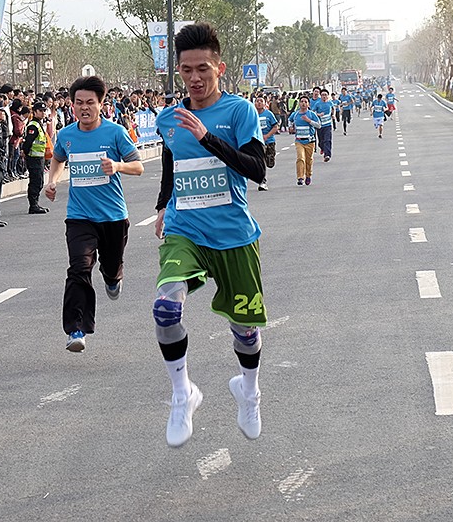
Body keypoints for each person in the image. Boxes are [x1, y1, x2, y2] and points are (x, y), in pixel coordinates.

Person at [151, 23, 267, 447]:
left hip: (234, 235)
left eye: (203, 69)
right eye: (186, 71)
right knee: (165, 309)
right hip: (186, 230)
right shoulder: (169, 119)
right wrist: (164, 205)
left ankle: (249, 391)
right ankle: (183, 394)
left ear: (219, 67)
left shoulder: (239, 112)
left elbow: (256, 169)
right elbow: (172, 165)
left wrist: (207, 136)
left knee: (246, 331)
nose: (195, 78)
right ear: (178, 71)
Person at [45, 75, 143, 352]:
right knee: (79, 268)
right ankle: (76, 329)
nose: (83, 108)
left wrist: (117, 166)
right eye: (78, 103)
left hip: (113, 217)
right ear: (72, 104)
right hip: (79, 217)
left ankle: (113, 277)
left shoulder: (114, 133)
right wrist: (52, 181)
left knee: (110, 269)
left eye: (90, 102)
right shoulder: (66, 135)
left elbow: (138, 167)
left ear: (102, 104)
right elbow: (58, 158)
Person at [22, 102, 50, 214]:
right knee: (35, 181)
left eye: (44, 111)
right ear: (35, 112)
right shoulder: (33, 125)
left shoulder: (39, 124)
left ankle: (36, 203)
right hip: (33, 157)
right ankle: (33, 205)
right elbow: (28, 142)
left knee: (39, 181)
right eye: (41, 111)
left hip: (39, 157)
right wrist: (25, 153)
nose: (43, 113)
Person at [291, 96, 321, 185]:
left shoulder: (311, 114)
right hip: (299, 141)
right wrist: (291, 127)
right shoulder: (295, 114)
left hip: (310, 141)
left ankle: (308, 175)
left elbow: (319, 125)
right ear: (299, 103)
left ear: (308, 104)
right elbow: (290, 121)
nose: (303, 103)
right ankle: (300, 177)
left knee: (309, 160)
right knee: (300, 158)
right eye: (302, 101)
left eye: (305, 102)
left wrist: (309, 121)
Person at [253, 96, 278, 191]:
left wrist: (267, 136)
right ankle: (262, 182)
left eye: (261, 101)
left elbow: (275, 126)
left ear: (265, 103)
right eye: (257, 101)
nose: (259, 103)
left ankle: (270, 161)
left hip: (269, 141)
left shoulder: (269, 114)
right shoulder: (252, 114)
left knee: (269, 163)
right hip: (258, 142)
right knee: (260, 161)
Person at [314, 89, 335, 161]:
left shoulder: (330, 103)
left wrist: (333, 115)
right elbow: (313, 112)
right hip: (320, 125)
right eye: (322, 95)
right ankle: (322, 148)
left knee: (327, 140)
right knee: (321, 141)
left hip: (328, 125)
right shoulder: (317, 104)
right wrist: (318, 114)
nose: (324, 96)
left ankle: (327, 155)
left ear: (327, 96)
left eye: (325, 95)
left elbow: (333, 109)